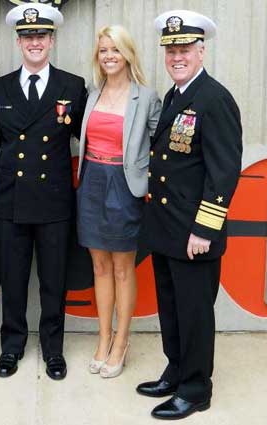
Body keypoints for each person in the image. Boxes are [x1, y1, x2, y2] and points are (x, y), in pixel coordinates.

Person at [136, 10, 243, 420]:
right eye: (171, 49)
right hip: (167, 228)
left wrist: (204, 228)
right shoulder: (175, 96)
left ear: (201, 51)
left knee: (195, 312)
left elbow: (223, 171)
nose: (177, 56)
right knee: (171, 306)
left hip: (194, 233)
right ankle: (176, 370)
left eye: (185, 49)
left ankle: (196, 388)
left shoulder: (214, 99)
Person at [0, 3, 87, 380]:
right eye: (27, 36)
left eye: (41, 36)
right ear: (18, 42)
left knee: (54, 280)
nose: (35, 42)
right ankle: (12, 347)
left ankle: (53, 349)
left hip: (54, 201)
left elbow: (92, 137)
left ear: (51, 40)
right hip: (11, 199)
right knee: (13, 280)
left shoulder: (73, 86)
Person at [76, 25, 161, 378]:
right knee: (99, 266)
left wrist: (152, 181)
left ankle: (122, 341)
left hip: (124, 186)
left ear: (128, 54)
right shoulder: (92, 94)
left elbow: (163, 146)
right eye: (103, 50)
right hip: (92, 181)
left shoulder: (147, 96)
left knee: (123, 267)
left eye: (115, 50)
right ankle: (103, 337)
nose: (109, 56)